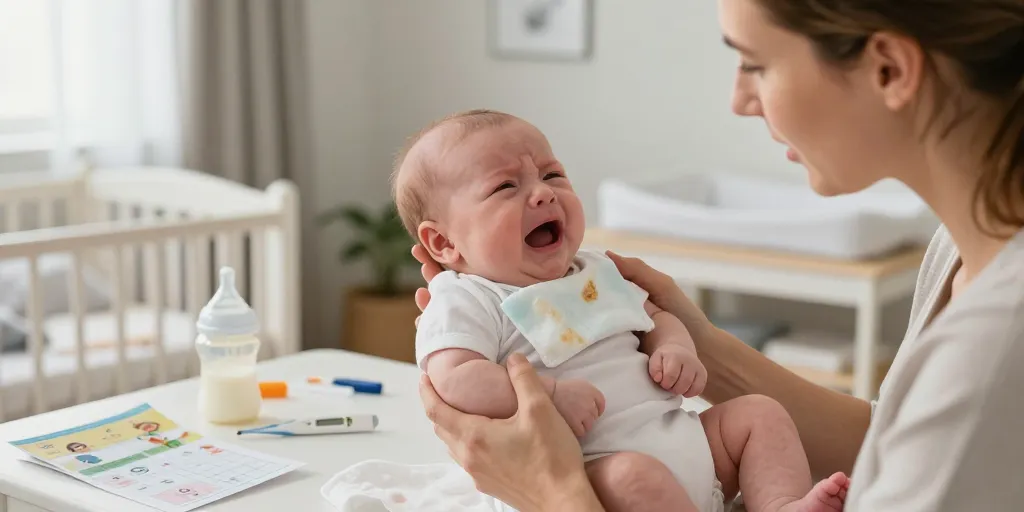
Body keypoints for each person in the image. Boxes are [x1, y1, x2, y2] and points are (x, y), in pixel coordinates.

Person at [413, 0, 1024, 510]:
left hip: (643, 460)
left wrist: (555, 494)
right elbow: (902, 442)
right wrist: (696, 345)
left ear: (889, 68)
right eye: (504, 187)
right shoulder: (960, 247)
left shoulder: (994, 346)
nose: (739, 99)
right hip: (622, 450)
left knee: (749, 421)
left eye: (754, 63)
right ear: (445, 240)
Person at [394, 109, 849, 511]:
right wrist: (548, 397)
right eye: (505, 186)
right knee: (635, 477)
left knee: (759, 414)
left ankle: (778, 504)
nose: (542, 195)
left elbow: (658, 319)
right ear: (444, 242)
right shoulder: (467, 298)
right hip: (589, 475)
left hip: (688, 446)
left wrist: (676, 347)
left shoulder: (593, 271)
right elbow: (454, 379)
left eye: (552, 176)